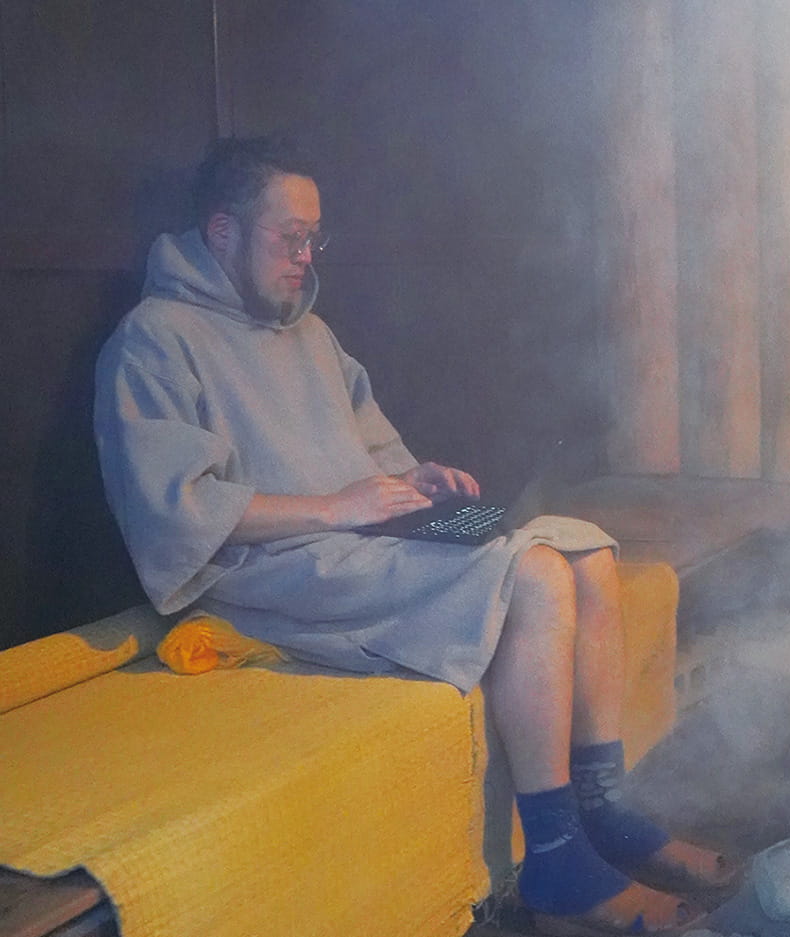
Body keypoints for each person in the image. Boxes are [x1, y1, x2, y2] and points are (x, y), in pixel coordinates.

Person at [93, 136, 734, 936]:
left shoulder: (308, 333)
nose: (305, 258)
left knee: (587, 550)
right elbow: (174, 510)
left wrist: (415, 481)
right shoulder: (154, 339)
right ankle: (559, 863)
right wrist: (334, 508)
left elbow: (371, 452)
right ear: (222, 231)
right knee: (536, 574)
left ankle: (603, 807)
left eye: (313, 239)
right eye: (288, 238)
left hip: (358, 542)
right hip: (268, 571)